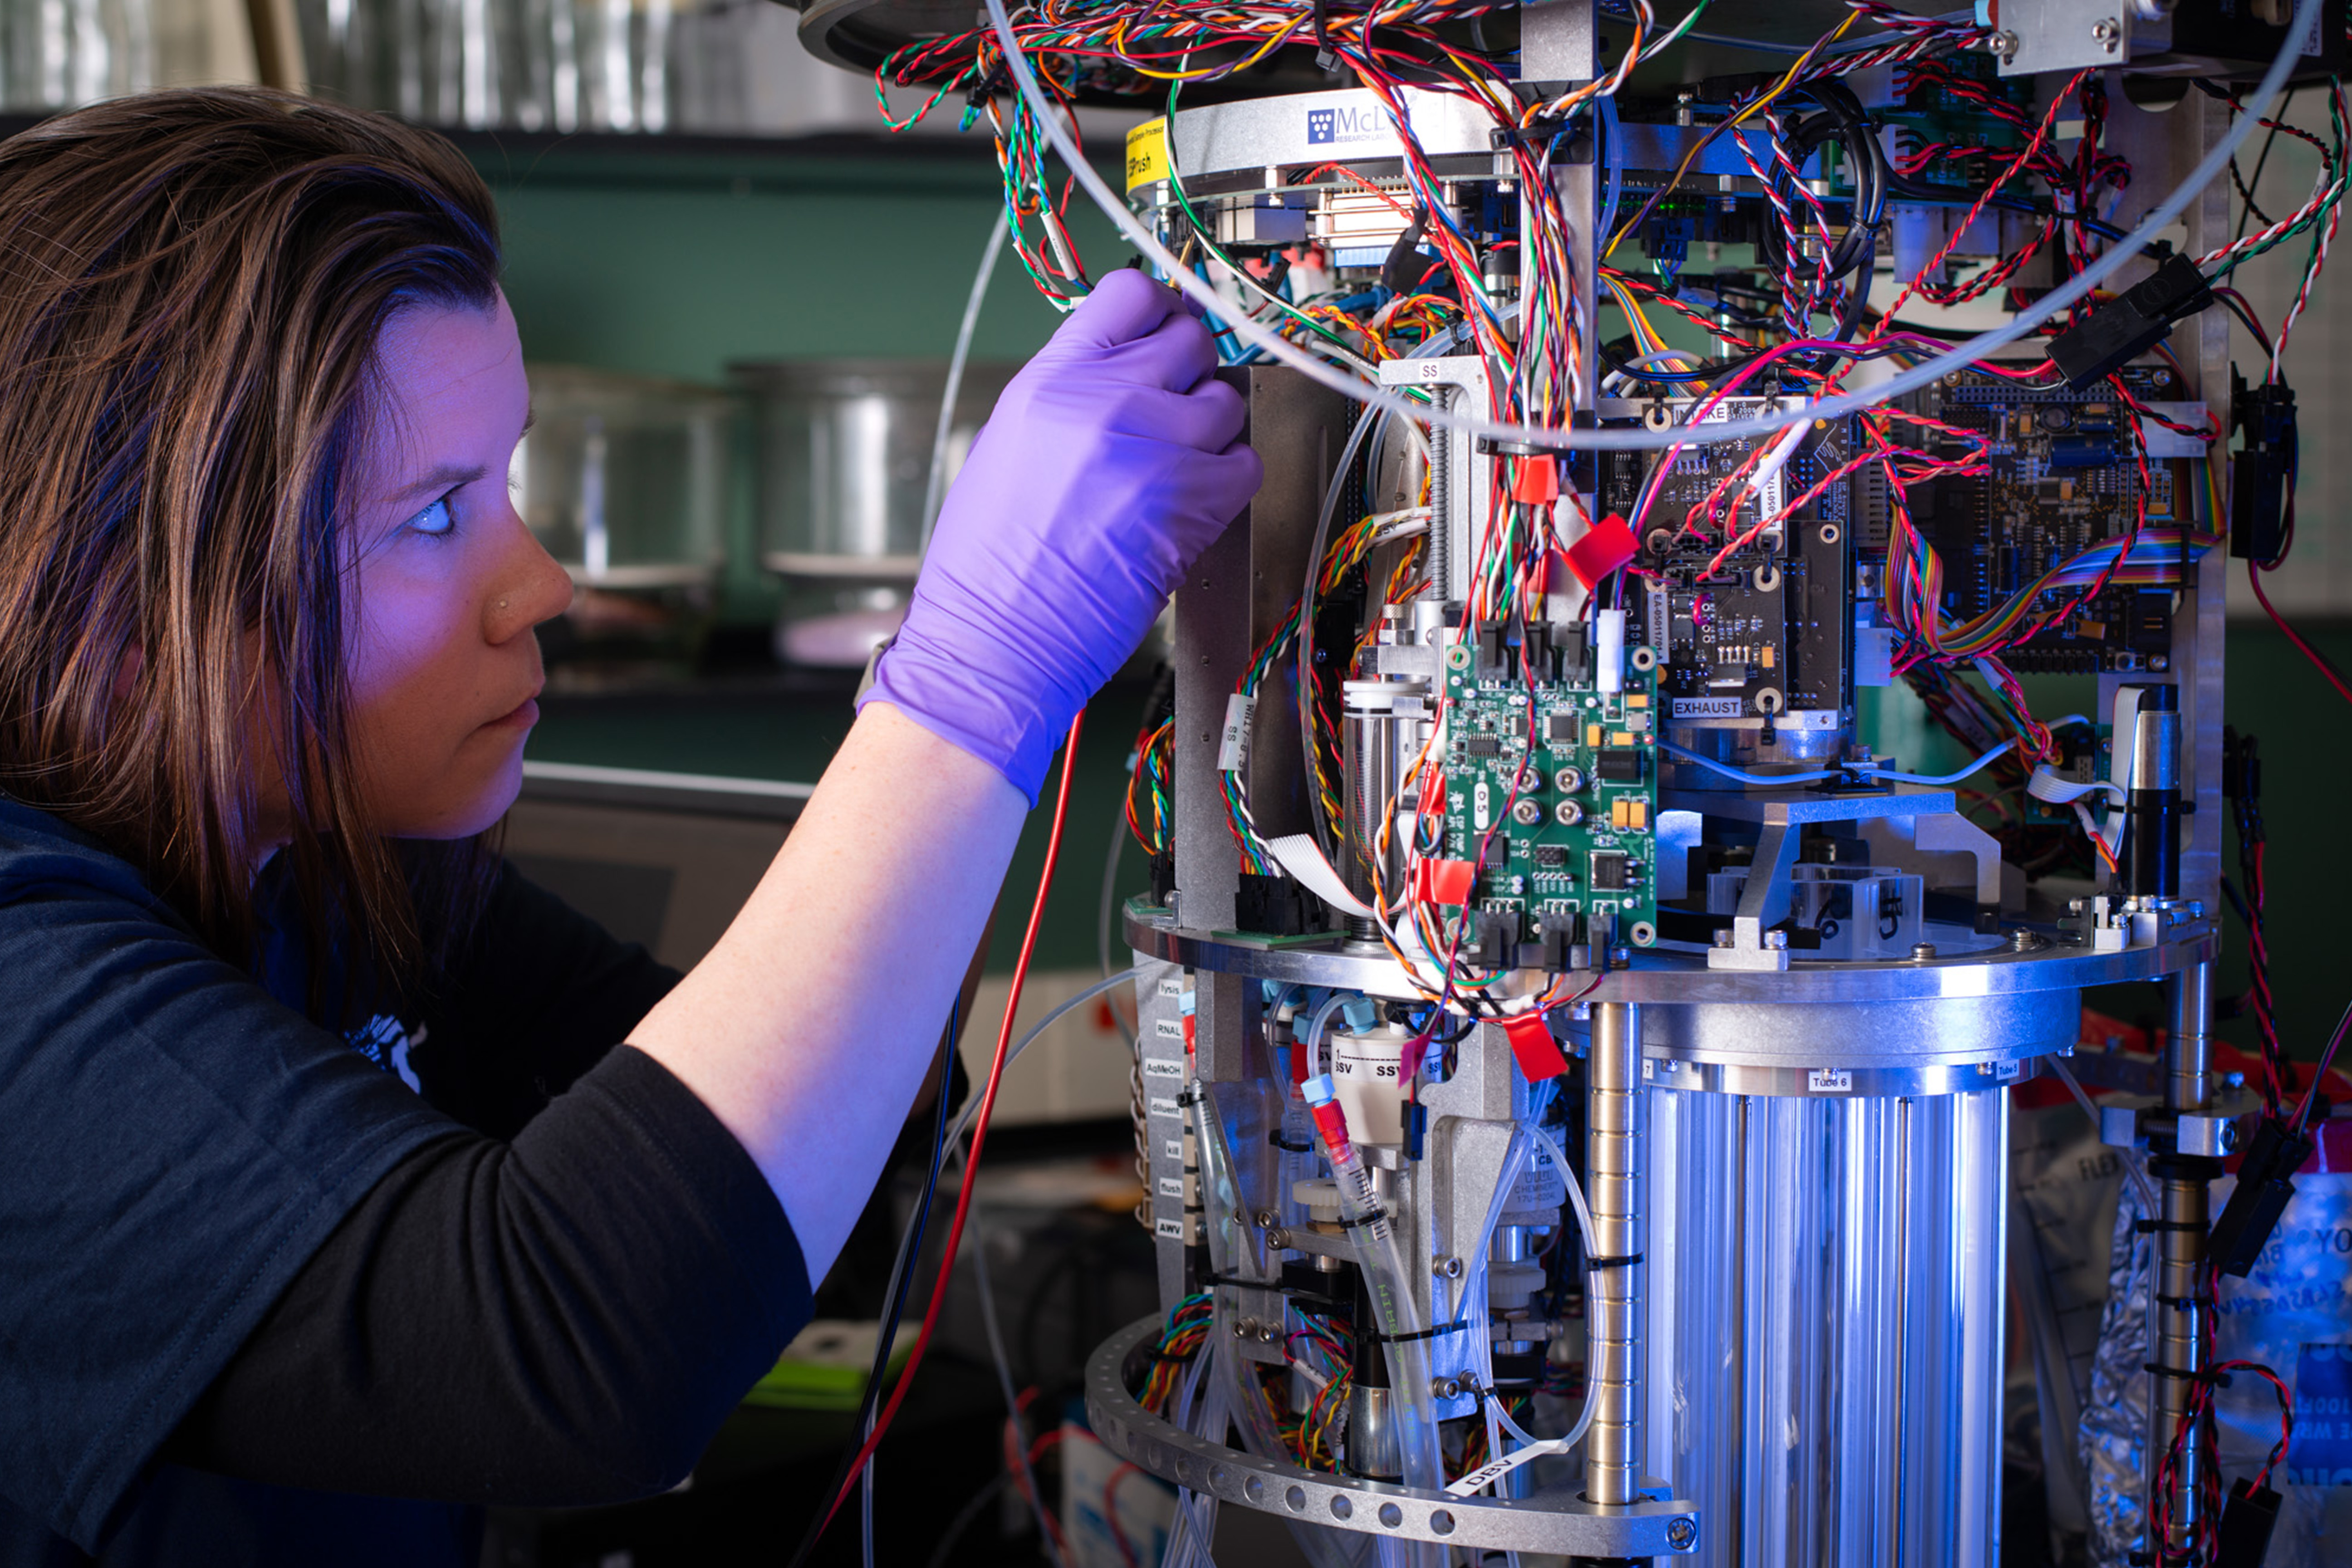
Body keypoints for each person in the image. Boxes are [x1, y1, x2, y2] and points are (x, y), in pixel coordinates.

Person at [0, 88, 1260, 1566]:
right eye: (432, 514)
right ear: (119, 598)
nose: (543, 585)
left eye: (510, 482)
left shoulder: (337, 873)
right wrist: (969, 687)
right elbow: (574, 1350)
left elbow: (790, 1212)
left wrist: (934, 695)